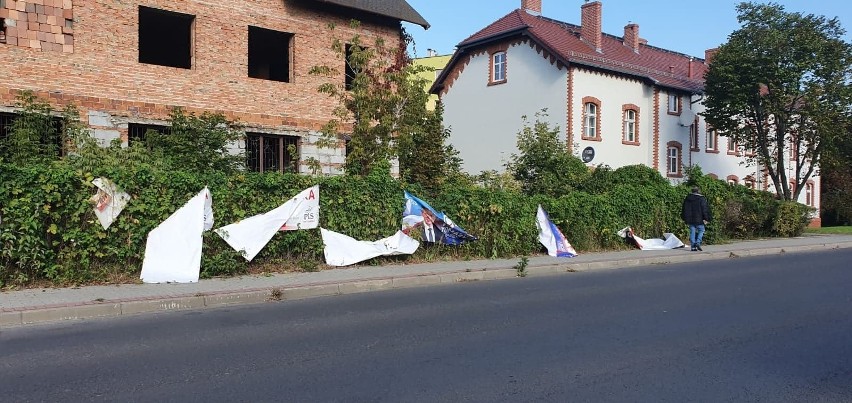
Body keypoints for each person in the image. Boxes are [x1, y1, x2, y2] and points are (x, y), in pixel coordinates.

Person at [681, 186, 712, 251]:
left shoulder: (687, 198)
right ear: (698, 191)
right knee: (701, 230)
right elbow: (704, 209)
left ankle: (693, 247)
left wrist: (684, 218)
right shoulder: (701, 198)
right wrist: (707, 218)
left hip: (690, 219)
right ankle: (698, 242)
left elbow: (684, 209)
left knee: (692, 232)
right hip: (699, 219)